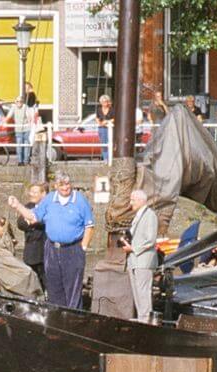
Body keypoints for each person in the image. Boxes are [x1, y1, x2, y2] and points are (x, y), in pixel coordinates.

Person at [8, 172, 95, 309]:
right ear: (56, 186)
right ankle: (58, 320)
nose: (66, 187)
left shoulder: (80, 200)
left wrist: (83, 247)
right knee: (54, 289)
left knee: (72, 291)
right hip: (52, 249)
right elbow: (32, 217)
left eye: (67, 184)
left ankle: (73, 321)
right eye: (62, 184)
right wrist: (17, 206)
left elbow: (89, 226)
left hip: (73, 249)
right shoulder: (49, 199)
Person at [120, 190, 158, 323]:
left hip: (143, 261)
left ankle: (146, 322)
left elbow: (151, 239)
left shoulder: (150, 215)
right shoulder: (137, 216)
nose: (130, 203)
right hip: (134, 261)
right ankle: (142, 320)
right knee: (137, 295)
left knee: (144, 294)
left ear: (141, 200)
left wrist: (133, 248)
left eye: (133, 200)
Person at [17, 182, 48, 290]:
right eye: (31, 192)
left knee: (46, 280)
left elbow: (44, 221)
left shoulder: (48, 207)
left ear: (43, 194)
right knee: (31, 282)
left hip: (44, 251)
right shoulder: (27, 206)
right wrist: (31, 221)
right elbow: (20, 223)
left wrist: (30, 220)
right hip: (30, 251)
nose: (31, 194)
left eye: (35, 192)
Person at [4, 95, 34, 166]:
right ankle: (20, 161)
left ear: (23, 102)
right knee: (19, 145)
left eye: (20, 101)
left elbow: (29, 117)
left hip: (26, 129)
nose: (19, 103)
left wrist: (30, 124)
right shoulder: (13, 107)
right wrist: (4, 122)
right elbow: (9, 116)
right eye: (17, 101)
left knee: (26, 146)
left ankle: (26, 161)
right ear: (15, 102)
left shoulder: (25, 107)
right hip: (18, 130)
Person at [96, 95, 114, 163]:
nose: (105, 103)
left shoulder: (112, 109)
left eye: (106, 102)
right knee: (103, 144)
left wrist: (107, 121)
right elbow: (97, 118)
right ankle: (105, 159)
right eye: (103, 102)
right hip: (101, 128)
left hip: (109, 128)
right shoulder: (99, 109)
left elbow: (114, 118)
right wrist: (100, 123)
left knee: (109, 143)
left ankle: (110, 158)